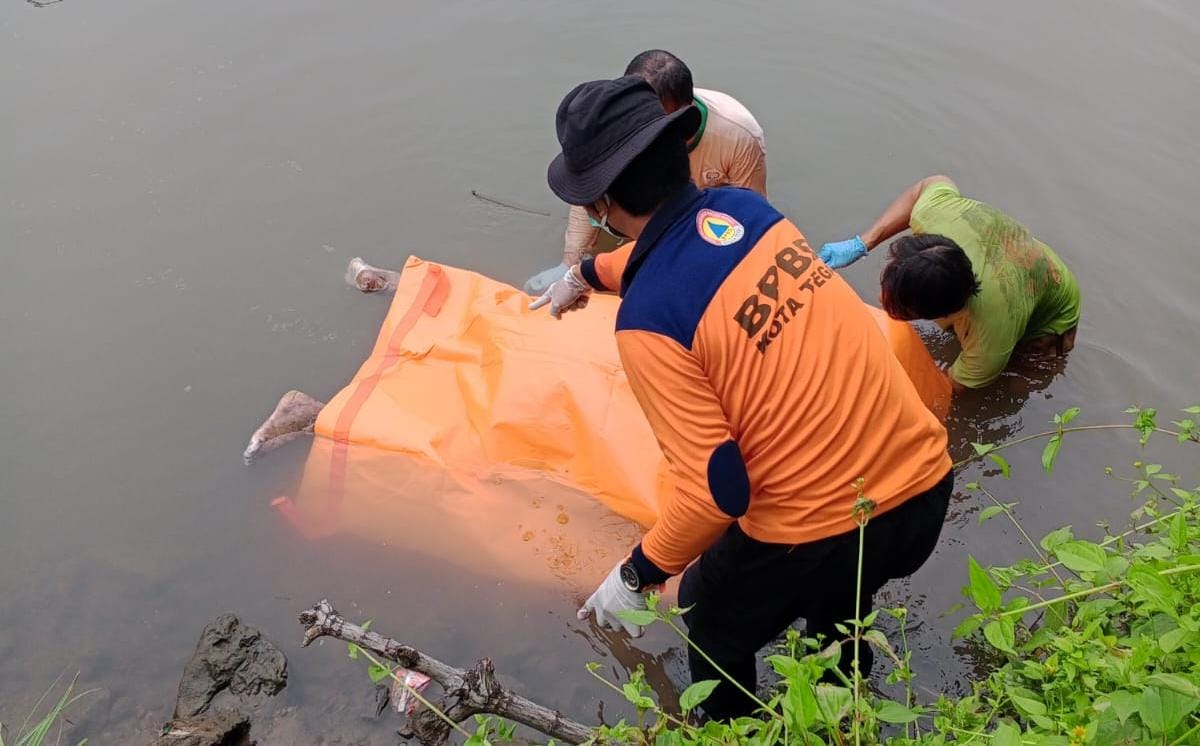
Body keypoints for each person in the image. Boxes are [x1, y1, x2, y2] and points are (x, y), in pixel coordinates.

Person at [535, 75, 953, 720]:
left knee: (709, 606)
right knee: (841, 600)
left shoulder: (649, 324)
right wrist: (587, 274)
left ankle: (737, 730)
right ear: (681, 149)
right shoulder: (746, 212)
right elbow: (677, 253)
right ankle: (849, 696)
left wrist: (638, 573)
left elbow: (715, 494)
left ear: (602, 204)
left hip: (819, 526)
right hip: (924, 492)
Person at [523, 49, 767, 296]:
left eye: (660, 124)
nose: (651, 136)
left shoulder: (738, 136)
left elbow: (748, 219)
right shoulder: (619, 123)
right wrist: (572, 267)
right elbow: (588, 183)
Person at [819, 176, 1081, 390]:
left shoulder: (991, 332)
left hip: (1049, 311)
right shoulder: (936, 215)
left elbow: (953, 388)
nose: (879, 301)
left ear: (945, 314)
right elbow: (928, 184)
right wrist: (864, 242)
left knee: (1017, 383)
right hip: (1015, 261)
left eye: (897, 308)